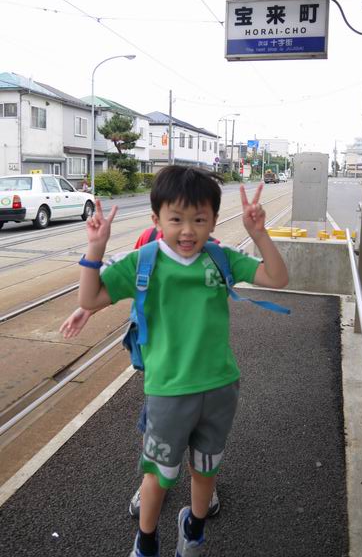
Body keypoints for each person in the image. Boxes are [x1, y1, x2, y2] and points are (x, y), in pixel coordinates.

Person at [77, 165, 288, 557]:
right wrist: (96, 247)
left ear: (213, 221)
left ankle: (193, 530)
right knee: (159, 475)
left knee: (206, 470)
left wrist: (259, 233)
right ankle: (146, 541)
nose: (188, 231)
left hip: (220, 388)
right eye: (176, 219)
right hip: (168, 392)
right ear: (156, 219)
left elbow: (277, 279)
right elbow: (89, 299)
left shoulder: (220, 258)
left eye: (199, 220)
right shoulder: (144, 262)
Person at [60, 228, 221, 520]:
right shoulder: (147, 239)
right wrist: (87, 309)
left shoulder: (209, 248)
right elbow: (124, 280)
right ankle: (154, 481)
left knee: (200, 428)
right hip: (158, 361)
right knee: (155, 423)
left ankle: (204, 484)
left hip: (197, 363)